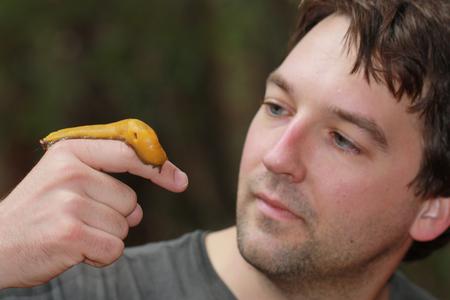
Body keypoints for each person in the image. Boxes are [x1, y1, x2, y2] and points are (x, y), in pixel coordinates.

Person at [0, 0, 449, 299]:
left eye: (342, 139)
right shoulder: (61, 288)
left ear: (432, 207)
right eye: (277, 107)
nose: (277, 157)